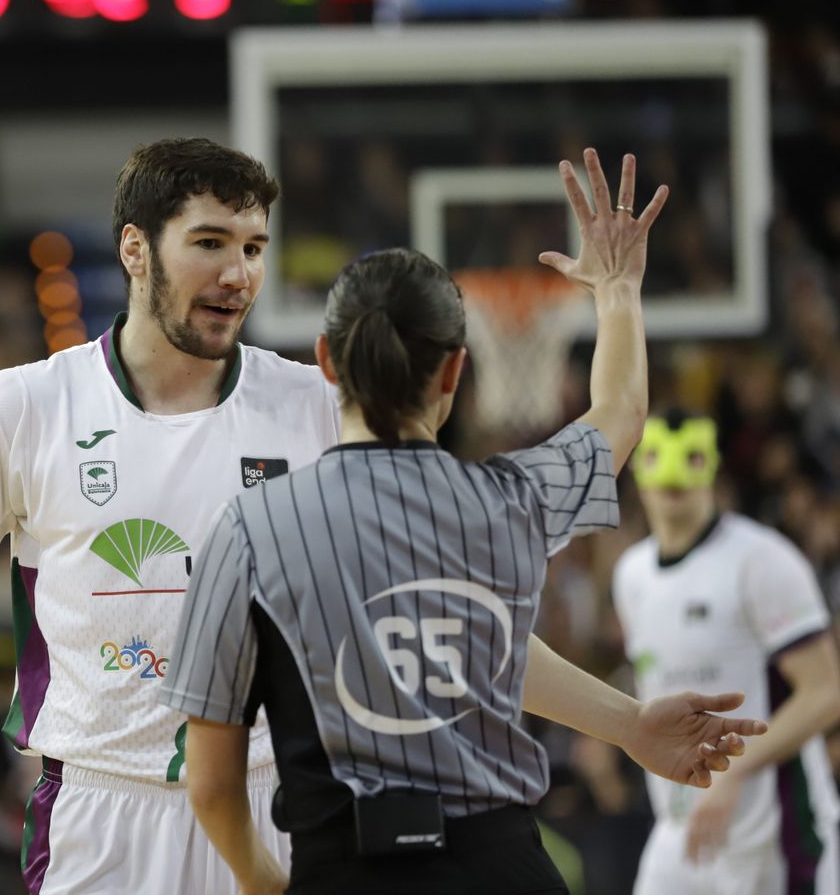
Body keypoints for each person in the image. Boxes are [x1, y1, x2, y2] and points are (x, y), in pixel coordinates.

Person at [0, 142, 759, 895]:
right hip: (101, 817)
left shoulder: (315, 407)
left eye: (254, 248)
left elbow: (446, 623)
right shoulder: (23, 406)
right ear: (136, 250)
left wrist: (620, 721)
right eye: (212, 242)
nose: (239, 271)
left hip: (281, 818)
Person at [162, 150, 766, 895]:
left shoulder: (250, 530)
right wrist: (616, 289)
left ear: (325, 361)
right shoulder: (511, 500)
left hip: (346, 868)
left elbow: (213, 787)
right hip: (507, 871)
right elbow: (620, 413)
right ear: (453, 374)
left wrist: (264, 884)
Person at [614, 409, 840, 895]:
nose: (673, 477)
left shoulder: (762, 560)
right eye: (657, 457)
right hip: (677, 826)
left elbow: (826, 693)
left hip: (771, 834)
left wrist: (739, 769)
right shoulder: (630, 575)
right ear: (637, 468)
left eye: (690, 457)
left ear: (712, 465)